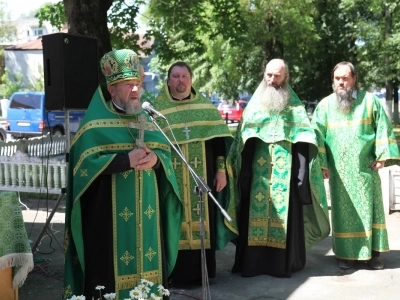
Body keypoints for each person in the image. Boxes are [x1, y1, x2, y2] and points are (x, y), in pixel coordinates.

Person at [63, 49, 183, 300]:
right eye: (129, 85)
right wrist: (124, 161)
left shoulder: (148, 120)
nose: (136, 90)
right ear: (112, 89)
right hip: (107, 220)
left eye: (138, 84)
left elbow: (166, 157)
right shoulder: (94, 126)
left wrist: (157, 160)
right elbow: (84, 169)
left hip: (148, 216)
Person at [228, 58, 330, 278]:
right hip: (258, 177)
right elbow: (242, 142)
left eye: (277, 75)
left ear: (286, 77)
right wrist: (244, 175)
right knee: (252, 217)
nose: (272, 80)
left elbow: (304, 141)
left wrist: (301, 179)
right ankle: (252, 264)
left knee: (284, 222)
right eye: (268, 75)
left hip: (286, 179)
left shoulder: (294, 107)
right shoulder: (254, 105)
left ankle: (280, 265)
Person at [154, 61, 238, 284]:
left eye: (184, 76)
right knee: (172, 220)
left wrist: (221, 171)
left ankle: (204, 273)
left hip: (204, 178)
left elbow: (219, 144)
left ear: (191, 80)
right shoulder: (158, 110)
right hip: (172, 181)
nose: (180, 80)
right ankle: (175, 272)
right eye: (175, 76)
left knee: (204, 220)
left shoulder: (205, 108)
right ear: (168, 80)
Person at [311, 61, 400, 270]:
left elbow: (382, 127)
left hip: (365, 168)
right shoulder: (324, 106)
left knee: (371, 210)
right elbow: (317, 135)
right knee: (343, 213)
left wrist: (382, 155)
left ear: (354, 79)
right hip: (339, 172)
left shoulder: (369, 102)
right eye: (337, 78)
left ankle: (373, 255)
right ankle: (345, 255)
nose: (341, 82)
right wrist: (322, 163)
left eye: (345, 78)